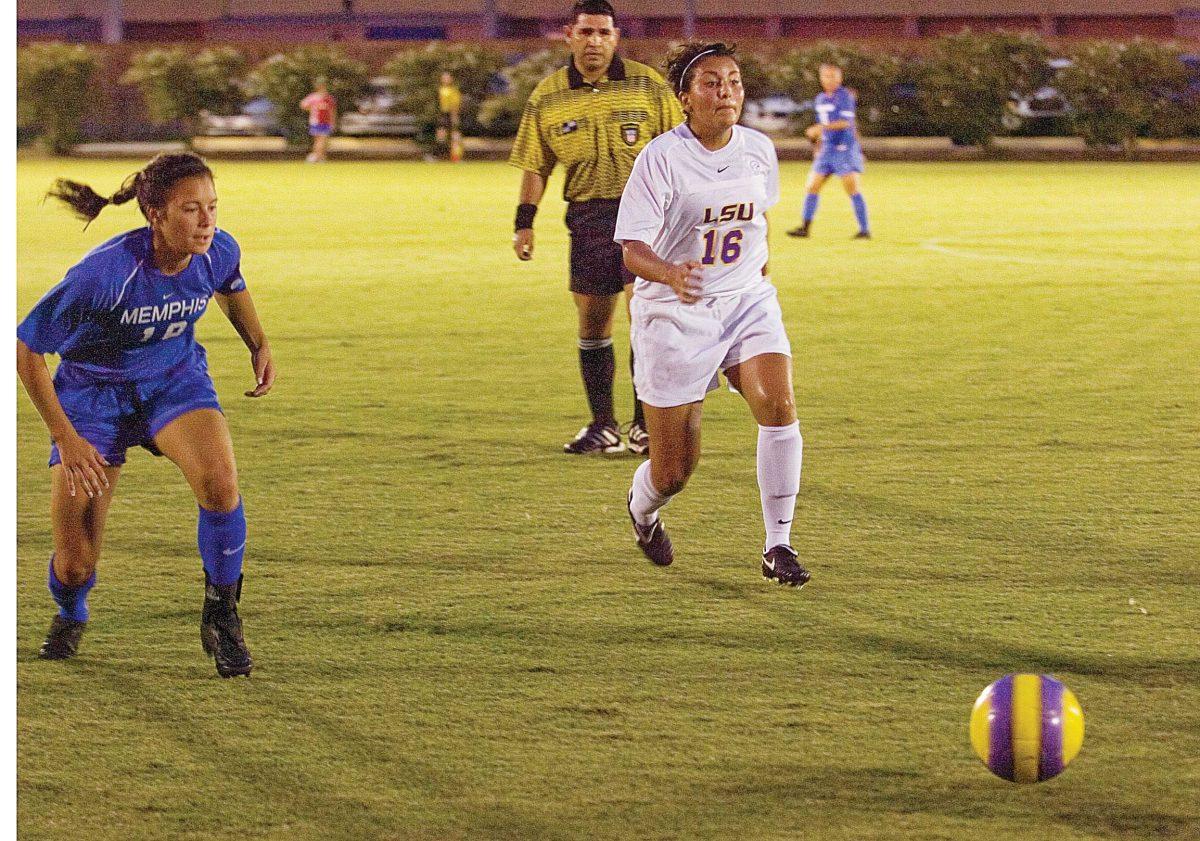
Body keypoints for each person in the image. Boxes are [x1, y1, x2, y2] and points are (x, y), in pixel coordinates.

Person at [16, 152, 276, 676]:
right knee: (75, 564)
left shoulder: (215, 250)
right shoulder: (103, 273)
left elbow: (232, 285)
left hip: (173, 382)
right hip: (92, 399)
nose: (207, 222)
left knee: (221, 484)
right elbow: (27, 352)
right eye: (190, 210)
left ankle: (222, 614)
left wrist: (258, 343)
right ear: (153, 213)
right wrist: (66, 440)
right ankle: (71, 610)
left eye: (212, 207)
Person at [616, 42, 810, 586]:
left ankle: (779, 544)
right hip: (675, 315)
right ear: (684, 97)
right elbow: (631, 248)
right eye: (711, 82)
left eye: (734, 81)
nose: (726, 91)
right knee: (675, 470)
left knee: (780, 403)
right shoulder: (661, 158)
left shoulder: (757, 149)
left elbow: (757, 221)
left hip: (747, 298)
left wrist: (760, 275)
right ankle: (642, 507)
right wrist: (670, 273)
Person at [509, 0, 683, 455]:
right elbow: (535, 164)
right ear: (570, 35)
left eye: (603, 33)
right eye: (586, 33)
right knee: (592, 323)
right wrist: (523, 223)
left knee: (643, 316)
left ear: (616, 37)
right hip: (588, 218)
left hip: (648, 219)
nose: (595, 42)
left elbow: (683, 151)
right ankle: (602, 425)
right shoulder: (548, 94)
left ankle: (646, 426)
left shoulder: (648, 85)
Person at [787, 63, 870, 240]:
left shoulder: (845, 97)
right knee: (812, 187)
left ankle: (864, 230)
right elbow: (823, 129)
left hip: (844, 149)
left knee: (852, 189)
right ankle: (805, 228)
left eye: (833, 76)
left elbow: (846, 123)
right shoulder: (820, 99)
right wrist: (818, 144)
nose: (829, 80)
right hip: (827, 150)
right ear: (821, 78)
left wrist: (820, 128)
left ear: (840, 78)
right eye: (826, 76)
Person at [300, 78, 337, 163]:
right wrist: (312, 108)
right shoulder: (313, 97)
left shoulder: (329, 98)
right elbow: (303, 104)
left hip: (326, 122)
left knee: (323, 140)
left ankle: (318, 156)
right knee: (318, 140)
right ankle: (317, 156)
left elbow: (332, 111)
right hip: (316, 121)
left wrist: (333, 122)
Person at [436, 71, 464, 162]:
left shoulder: (454, 91)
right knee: (441, 135)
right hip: (443, 114)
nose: (445, 79)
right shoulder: (440, 89)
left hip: (451, 114)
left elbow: (455, 105)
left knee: (455, 136)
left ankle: (456, 157)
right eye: (444, 77)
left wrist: (454, 116)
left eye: (447, 77)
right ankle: (439, 155)